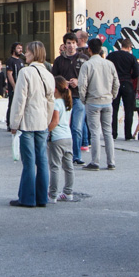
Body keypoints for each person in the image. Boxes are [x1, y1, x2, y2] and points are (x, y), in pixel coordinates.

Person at [8, 41, 55, 207]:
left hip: (28, 122)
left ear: (33, 53)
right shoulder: (48, 74)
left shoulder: (25, 72)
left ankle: (27, 198)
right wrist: (48, 120)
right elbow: (51, 101)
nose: (24, 54)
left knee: (28, 162)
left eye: (27, 52)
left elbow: (20, 99)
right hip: (42, 121)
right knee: (42, 160)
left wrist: (14, 122)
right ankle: (42, 197)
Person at [77, 38, 119, 170]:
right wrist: (112, 96)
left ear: (89, 49)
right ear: (101, 49)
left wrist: (83, 99)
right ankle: (111, 161)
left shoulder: (87, 65)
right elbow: (116, 83)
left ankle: (95, 162)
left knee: (94, 132)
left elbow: (82, 85)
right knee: (108, 132)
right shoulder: (109, 64)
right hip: (107, 100)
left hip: (93, 101)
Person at [53, 33, 90, 163]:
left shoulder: (84, 58)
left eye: (73, 43)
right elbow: (54, 78)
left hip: (78, 96)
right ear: (65, 44)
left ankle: (77, 155)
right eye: (69, 43)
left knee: (77, 127)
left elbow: (89, 77)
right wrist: (64, 83)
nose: (71, 46)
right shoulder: (59, 60)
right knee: (62, 126)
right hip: (63, 97)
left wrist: (78, 81)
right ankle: (63, 153)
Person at [47, 75, 79, 204]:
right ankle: (68, 192)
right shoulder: (67, 102)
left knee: (55, 166)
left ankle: (52, 194)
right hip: (67, 136)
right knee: (68, 166)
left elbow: (55, 121)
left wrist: (46, 130)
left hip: (57, 137)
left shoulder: (56, 103)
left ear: (54, 89)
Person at [106, 39, 139, 141]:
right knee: (128, 110)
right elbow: (136, 73)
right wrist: (130, 76)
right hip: (127, 83)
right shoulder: (132, 57)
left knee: (114, 109)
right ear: (129, 47)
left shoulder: (112, 56)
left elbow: (106, 68)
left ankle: (113, 133)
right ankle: (128, 134)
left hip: (114, 84)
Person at [5, 42, 24, 123]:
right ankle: (9, 122)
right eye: (18, 48)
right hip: (14, 87)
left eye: (21, 48)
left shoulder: (21, 61)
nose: (20, 50)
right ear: (14, 49)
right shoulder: (10, 61)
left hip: (21, 86)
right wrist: (14, 85)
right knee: (12, 104)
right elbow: (9, 74)